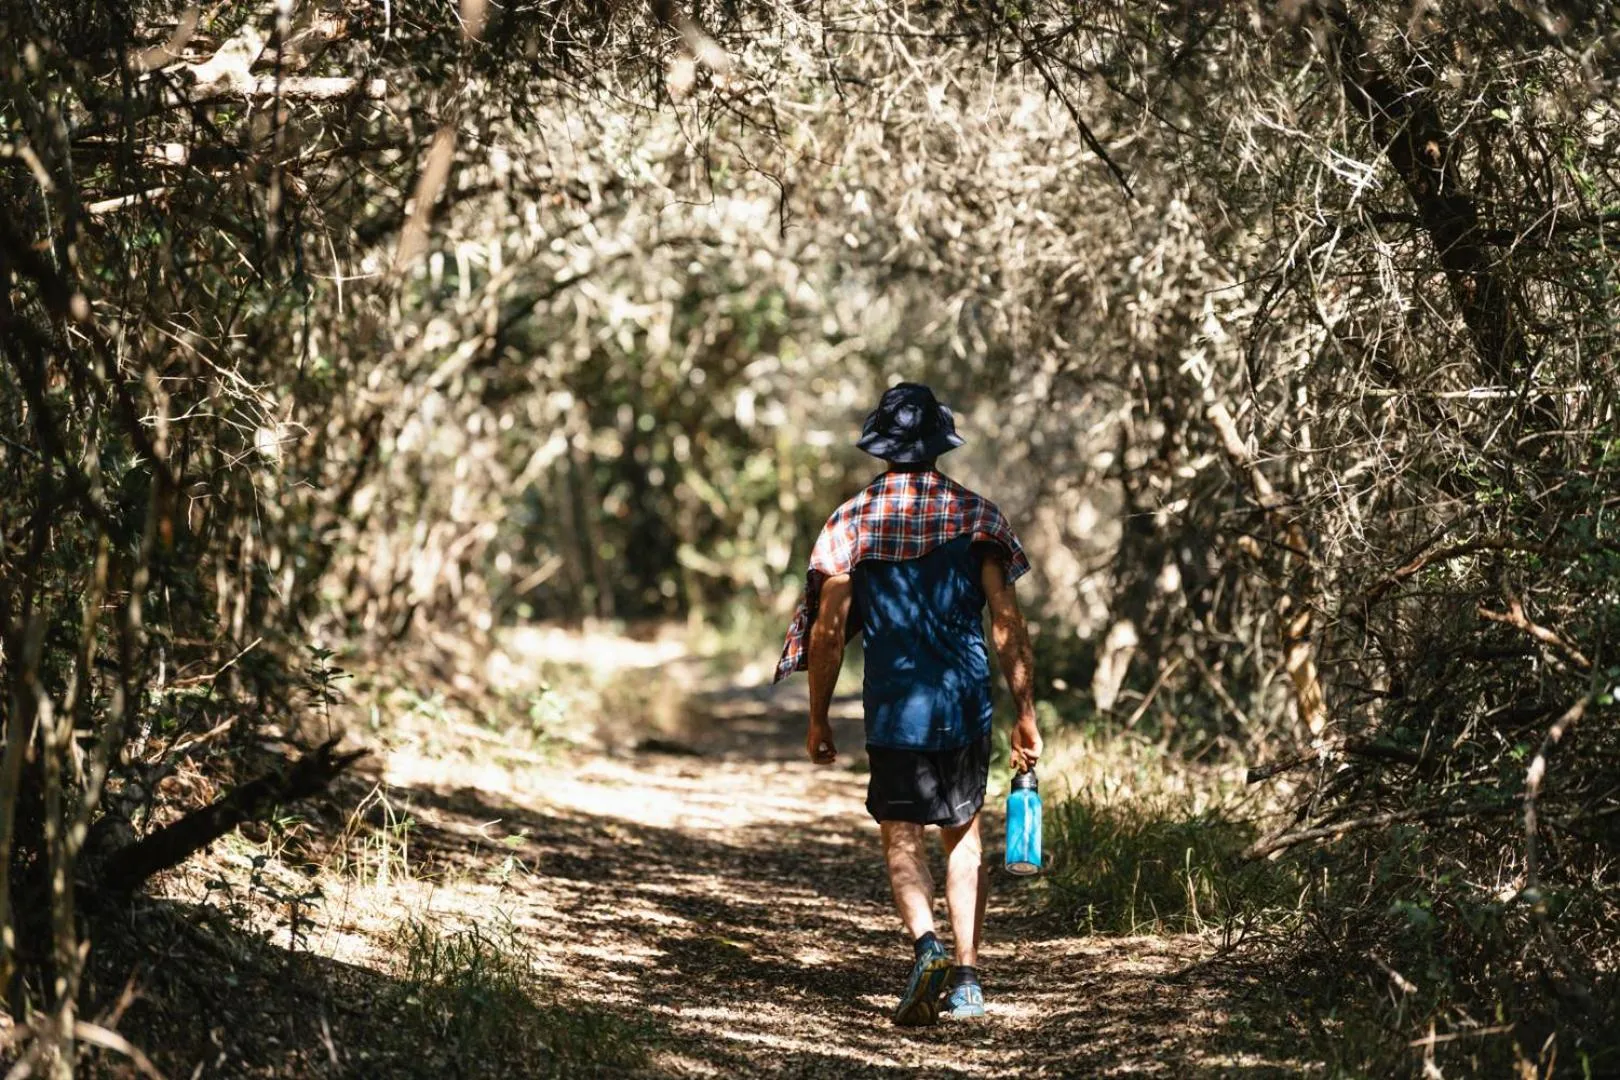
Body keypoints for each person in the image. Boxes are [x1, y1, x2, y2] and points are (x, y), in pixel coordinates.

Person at [775, 382, 1042, 1027]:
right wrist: (1026, 711)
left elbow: (829, 633)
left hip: (892, 708)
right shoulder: (980, 519)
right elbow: (1005, 621)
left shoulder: (850, 524)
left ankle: (927, 948)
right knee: (963, 839)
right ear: (939, 444)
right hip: (964, 706)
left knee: (901, 837)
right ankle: (970, 978)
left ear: (882, 447)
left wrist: (817, 717)